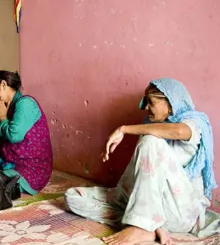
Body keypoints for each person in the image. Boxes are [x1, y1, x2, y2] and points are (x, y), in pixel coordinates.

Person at [65, 78, 218, 245]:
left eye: (150, 102)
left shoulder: (194, 122)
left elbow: (178, 131)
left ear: (170, 103)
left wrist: (124, 129)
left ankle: (141, 225)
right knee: (72, 197)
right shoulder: (151, 127)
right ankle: (152, 226)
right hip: (155, 209)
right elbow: (142, 178)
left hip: (180, 212)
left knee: (150, 140)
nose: (145, 108)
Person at [0, 70, 53, 194]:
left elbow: (14, 136)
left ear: (3, 85)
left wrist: (3, 118)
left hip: (29, 165)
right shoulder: (4, 107)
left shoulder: (26, 103)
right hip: (5, 161)